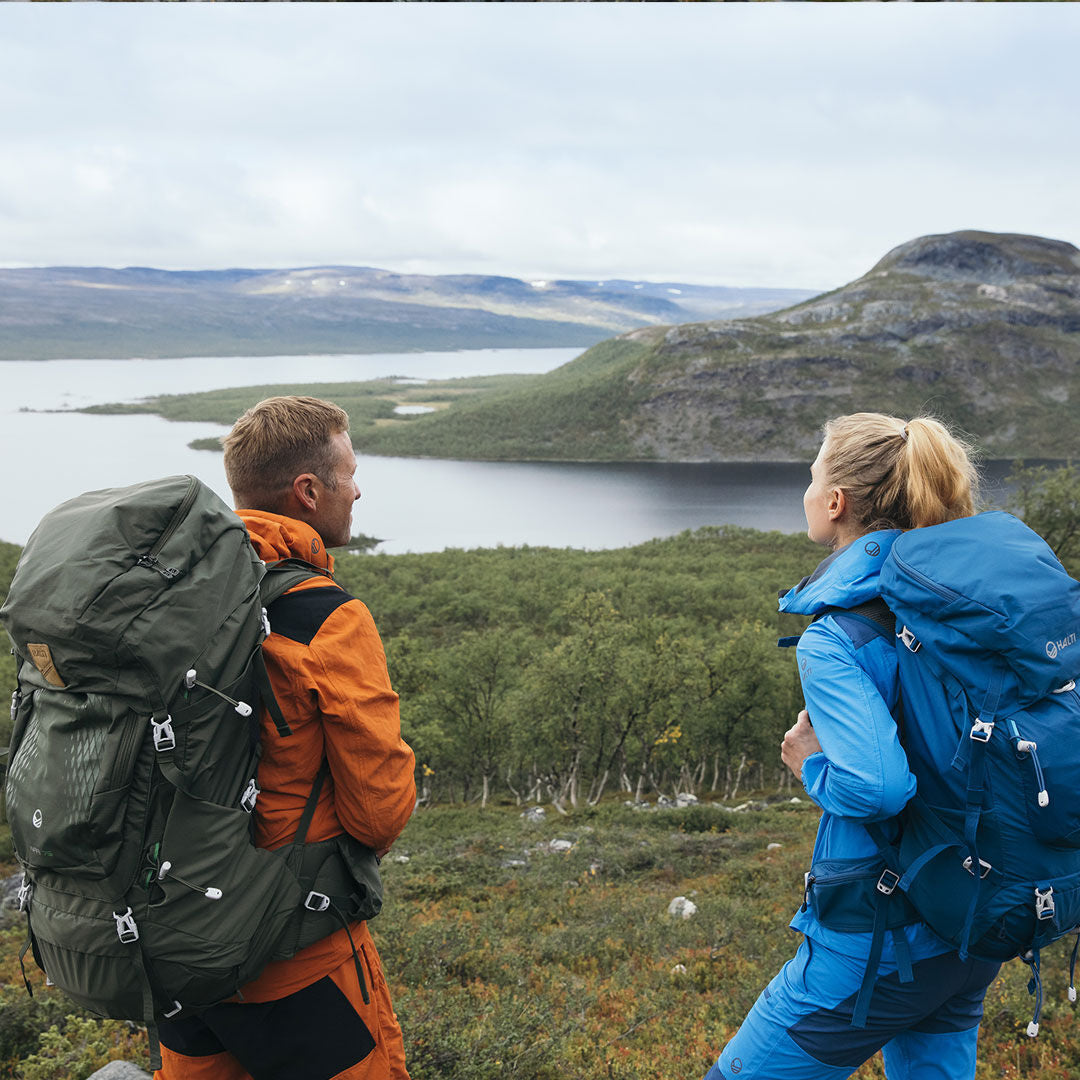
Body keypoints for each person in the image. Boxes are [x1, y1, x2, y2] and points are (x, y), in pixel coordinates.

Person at [702, 413, 1000, 1080]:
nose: (807, 490)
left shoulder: (836, 637)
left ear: (835, 502)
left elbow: (877, 789)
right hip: (970, 916)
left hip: (879, 935)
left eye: (812, 477)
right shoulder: (964, 604)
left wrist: (810, 764)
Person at [155, 396, 417, 1080]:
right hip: (290, 946)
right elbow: (378, 811)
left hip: (170, 941)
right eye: (349, 474)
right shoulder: (324, 615)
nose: (356, 491)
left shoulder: (167, 599)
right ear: (308, 490)